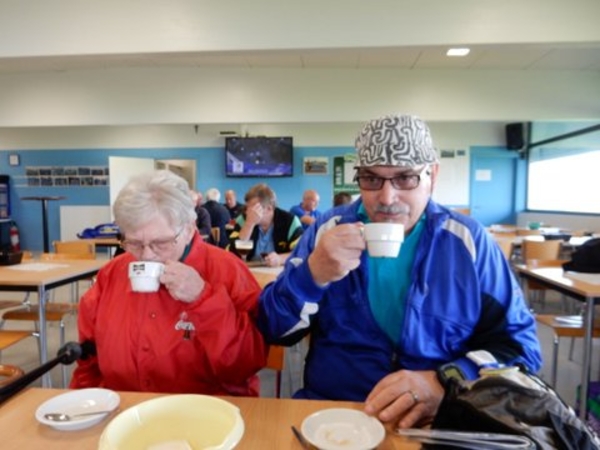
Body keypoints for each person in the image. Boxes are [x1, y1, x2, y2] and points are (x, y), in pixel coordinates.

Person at [257, 114, 541, 428]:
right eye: (372, 179)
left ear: (432, 175)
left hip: (438, 419)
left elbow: (521, 349)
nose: (387, 198)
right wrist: (313, 275)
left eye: (405, 178)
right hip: (336, 411)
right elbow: (272, 329)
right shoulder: (326, 231)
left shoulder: (468, 243)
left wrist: (445, 381)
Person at [70, 170, 267, 396]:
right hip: (126, 413)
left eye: (161, 243)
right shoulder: (111, 275)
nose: (146, 256)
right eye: (133, 243)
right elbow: (88, 364)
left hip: (207, 416)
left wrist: (203, 298)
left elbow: (245, 364)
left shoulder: (227, 270)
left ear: (190, 228)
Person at [230, 183, 303, 267]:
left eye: (254, 208)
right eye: (247, 208)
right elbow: (232, 253)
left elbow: (302, 252)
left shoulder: (290, 221)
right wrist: (249, 224)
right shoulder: (243, 220)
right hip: (249, 271)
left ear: (269, 208)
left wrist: (280, 259)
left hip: (279, 273)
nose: (248, 212)